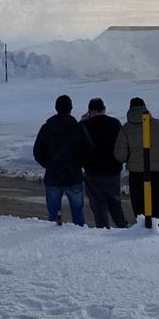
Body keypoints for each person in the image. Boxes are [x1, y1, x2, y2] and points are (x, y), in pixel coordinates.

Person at [114, 96, 159, 231]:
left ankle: (143, 234)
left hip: (136, 176)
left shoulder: (126, 129)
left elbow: (120, 155)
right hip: (156, 174)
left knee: (140, 209)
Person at [33, 94, 92, 226]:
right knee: (77, 214)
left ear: (56, 108)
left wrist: (48, 164)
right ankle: (78, 235)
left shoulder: (47, 128)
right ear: (71, 108)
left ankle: (54, 236)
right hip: (74, 176)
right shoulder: (78, 128)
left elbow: (37, 151)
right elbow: (88, 149)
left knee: (53, 215)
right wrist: (79, 164)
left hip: (53, 176)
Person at [80, 98, 126, 228]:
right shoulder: (115, 123)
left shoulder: (86, 125)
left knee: (98, 205)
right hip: (113, 170)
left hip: (93, 171)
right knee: (115, 203)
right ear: (104, 109)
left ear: (89, 111)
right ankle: (122, 228)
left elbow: (77, 139)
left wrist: (81, 122)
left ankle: (103, 230)